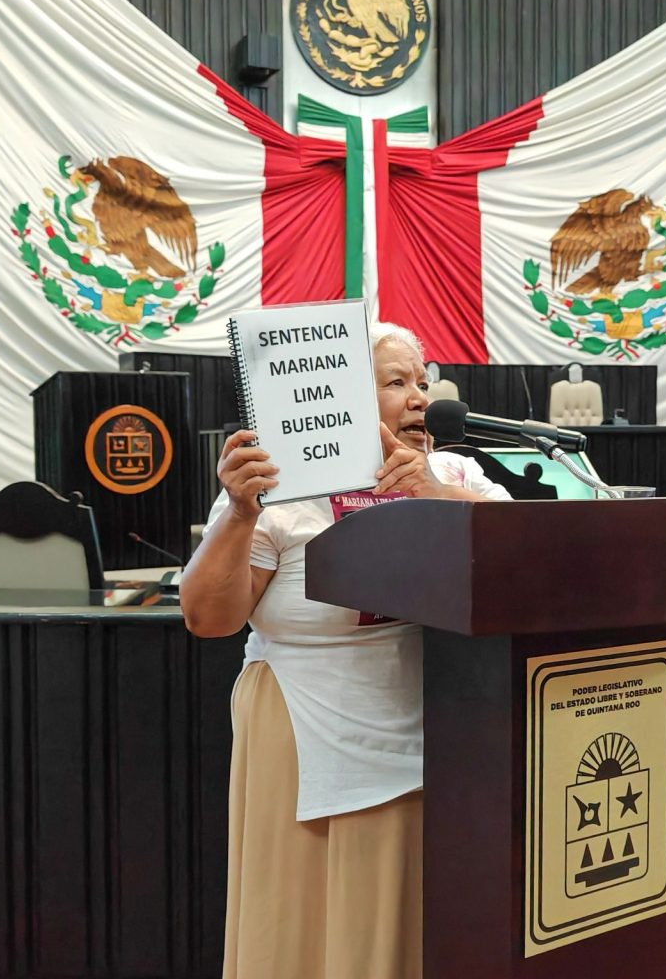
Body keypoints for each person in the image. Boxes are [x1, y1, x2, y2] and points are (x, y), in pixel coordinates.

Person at [180, 322, 510, 979]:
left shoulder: (455, 472)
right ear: (339, 397)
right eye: (396, 382)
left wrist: (437, 495)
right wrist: (241, 514)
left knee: (416, 928)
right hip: (306, 735)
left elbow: (531, 557)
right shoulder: (281, 485)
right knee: (303, 929)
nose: (420, 397)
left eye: (422, 382)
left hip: (438, 744)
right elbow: (208, 619)